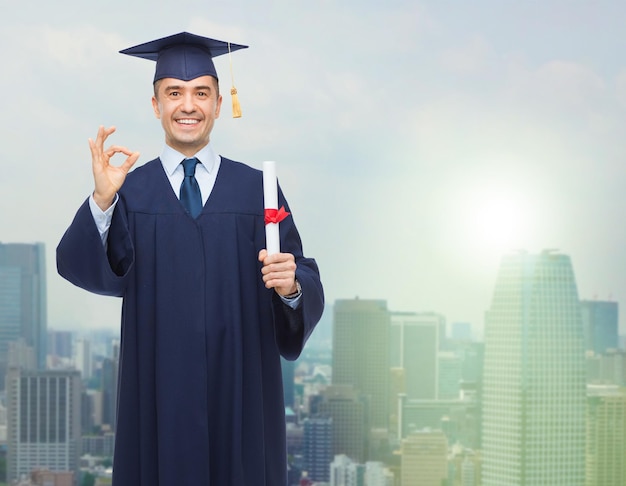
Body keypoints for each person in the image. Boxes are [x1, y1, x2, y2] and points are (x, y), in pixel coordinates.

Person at [57, 32, 324, 486]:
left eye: (201, 92)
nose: (188, 105)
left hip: (240, 391)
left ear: (219, 103)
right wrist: (102, 200)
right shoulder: (130, 192)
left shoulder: (257, 192)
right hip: (159, 391)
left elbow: (298, 278)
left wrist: (291, 286)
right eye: (174, 93)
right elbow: (90, 270)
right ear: (156, 104)